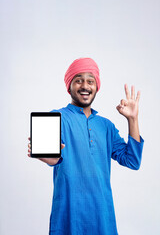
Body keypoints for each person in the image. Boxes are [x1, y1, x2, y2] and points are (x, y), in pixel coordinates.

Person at [28, 57, 144, 235]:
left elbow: (132, 161)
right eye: (78, 80)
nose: (85, 86)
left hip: (102, 217)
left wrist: (133, 119)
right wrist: (50, 159)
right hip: (69, 216)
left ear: (97, 87)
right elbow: (54, 158)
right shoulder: (57, 118)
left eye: (90, 81)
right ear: (69, 86)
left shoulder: (106, 126)